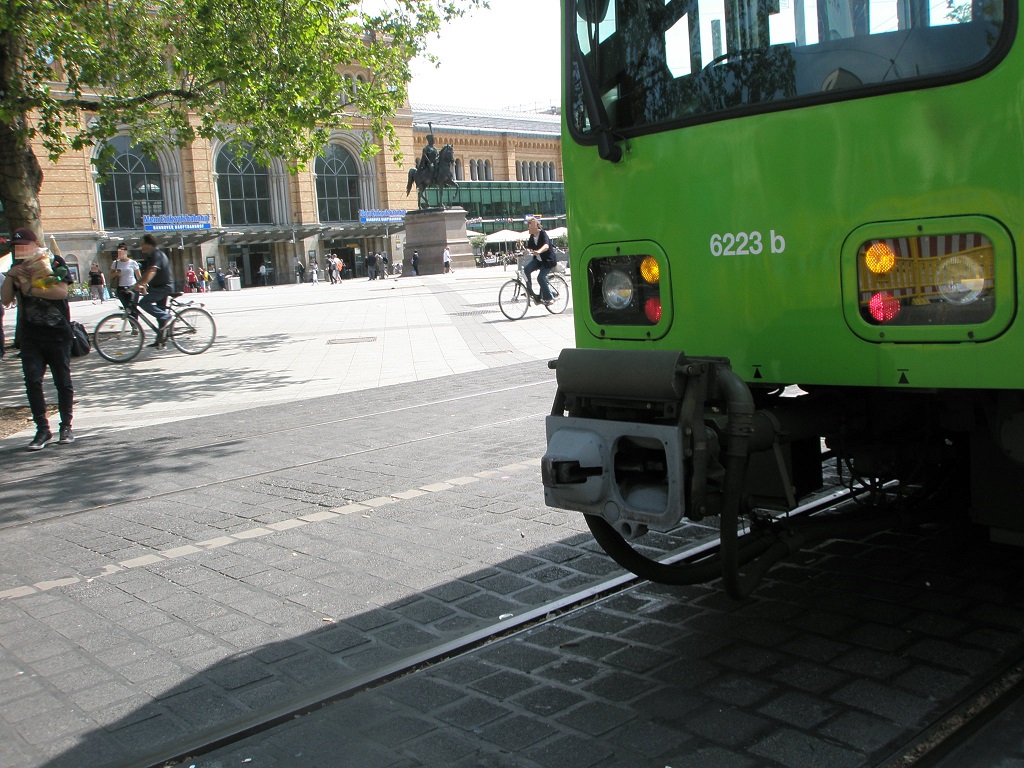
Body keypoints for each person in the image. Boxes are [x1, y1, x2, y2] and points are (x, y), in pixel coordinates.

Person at [0, 227, 75, 449]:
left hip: (58, 333)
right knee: (32, 381)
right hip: (30, 334)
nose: (20, 250)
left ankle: (66, 427)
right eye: (16, 247)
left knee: (62, 381)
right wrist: (10, 277)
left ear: (35, 244)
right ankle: (42, 429)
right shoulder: (16, 269)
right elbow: (5, 300)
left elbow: (61, 293)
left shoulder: (54, 262)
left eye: (24, 245)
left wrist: (28, 288)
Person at [135, 233, 175, 348]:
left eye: (143, 244)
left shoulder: (157, 254)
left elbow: (152, 271)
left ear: (149, 244)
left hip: (163, 287)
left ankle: (165, 316)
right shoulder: (151, 256)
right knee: (160, 316)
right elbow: (147, 273)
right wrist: (139, 284)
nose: (141, 246)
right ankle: (160, 341)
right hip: (158, 287)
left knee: (144, 303)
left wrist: (140, 284)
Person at [523, 216, 556, 305]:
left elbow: (546, 246)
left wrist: (539, 251)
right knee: (526, 270)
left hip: (547, 260)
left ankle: (550, 297)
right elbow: (529, 247)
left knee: (540, 278)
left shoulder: (542, 233)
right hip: (538, 260)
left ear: (536, 226)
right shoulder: (532, 236)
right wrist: (523, 252)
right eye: (529, 226)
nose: (529, 228)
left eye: (531, 226)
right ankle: (529, 292)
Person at [110, 242, 141, 317]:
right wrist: (116, 273)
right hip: (121, 288)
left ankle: (135, 327)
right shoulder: (115, 263)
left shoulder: (133, 262)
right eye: (118, 252)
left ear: (126, 252)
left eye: (121, 252)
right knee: (127, 308)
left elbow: (139, 276)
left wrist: (142, 286)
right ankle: (134, 325)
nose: (120, 254)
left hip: (132, 287)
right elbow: (110, 276)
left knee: (133, 308)